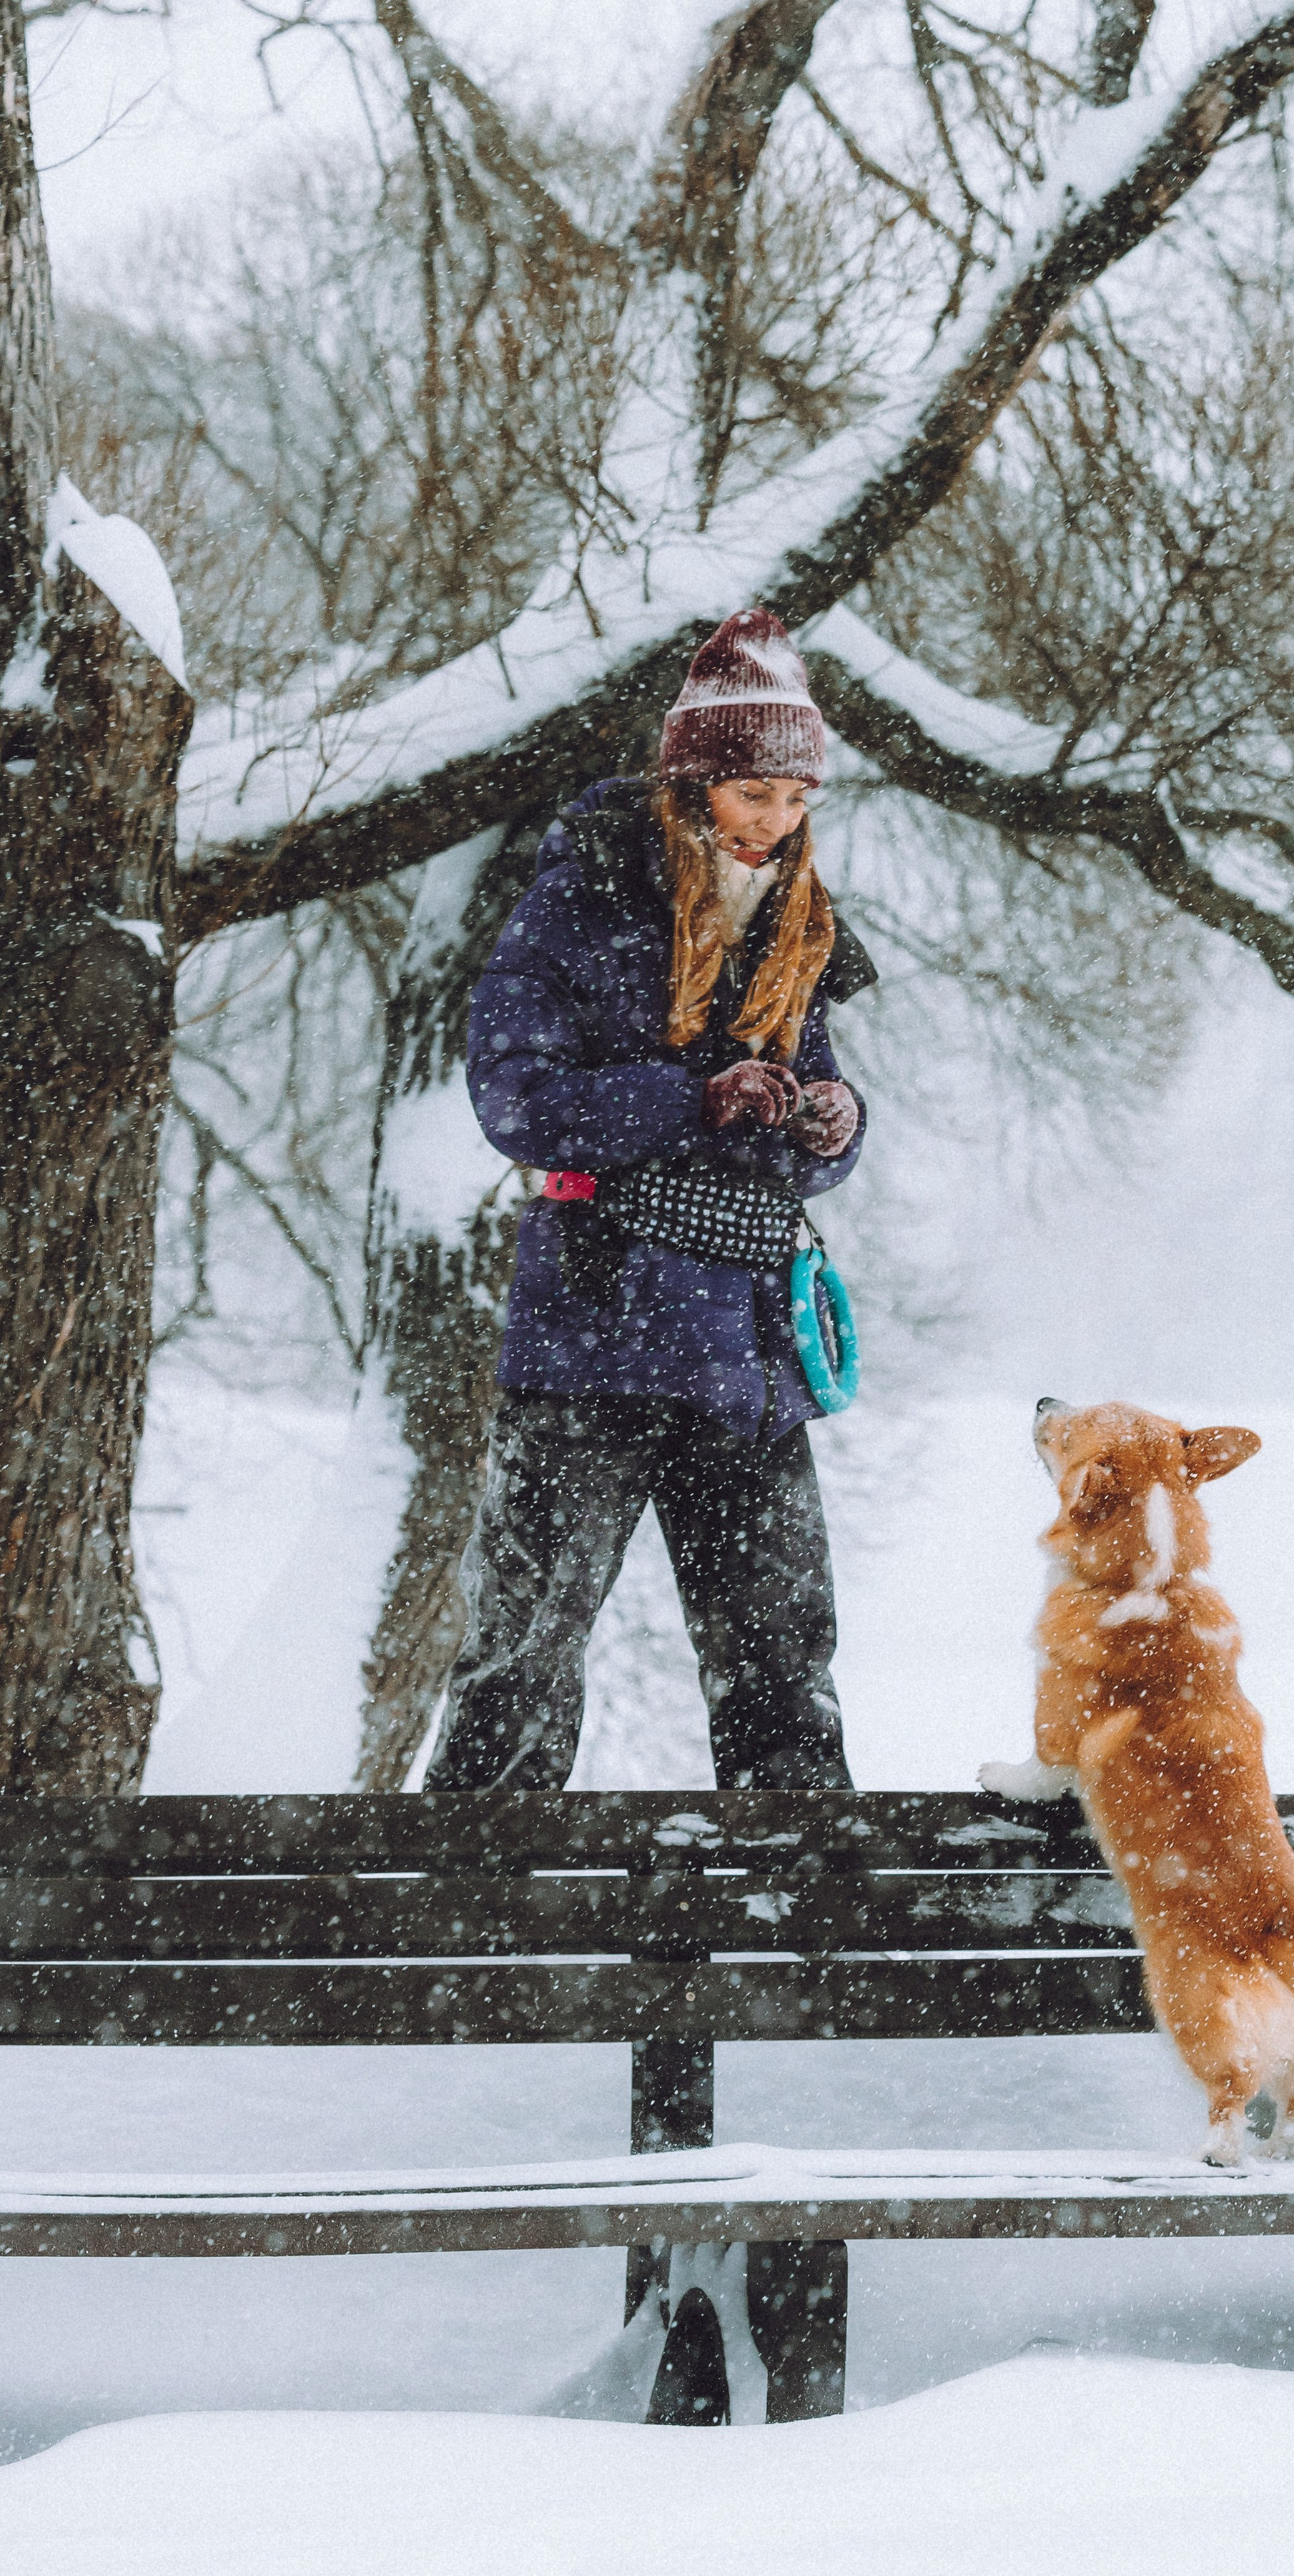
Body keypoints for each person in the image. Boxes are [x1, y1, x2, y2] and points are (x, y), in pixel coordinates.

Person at [424, 608, 873, 1792]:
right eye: (754, 796)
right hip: (595, 1334)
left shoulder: (800, 929)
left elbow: (809, 1112)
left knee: (784, 1667)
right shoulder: (581, 903)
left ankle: (807, 1922)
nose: (776, 825)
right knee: (521, 1661)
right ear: (694, 785)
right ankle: (470, 1934)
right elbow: (515, 1098)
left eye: (794, 800)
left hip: (751, 1355)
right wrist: (692, 1100)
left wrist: (832, 1123)